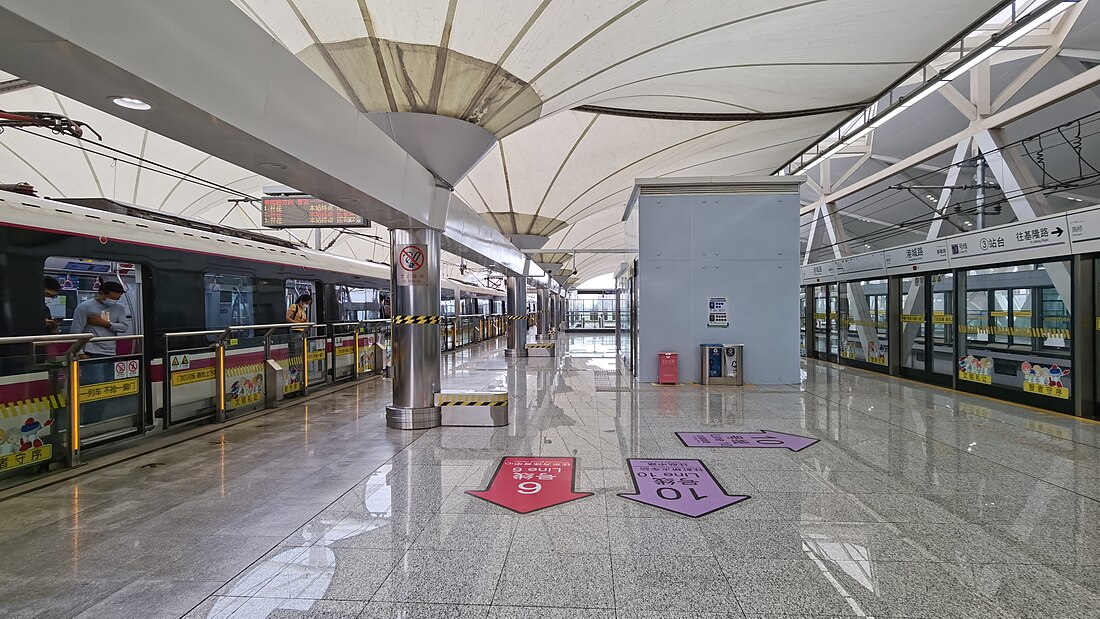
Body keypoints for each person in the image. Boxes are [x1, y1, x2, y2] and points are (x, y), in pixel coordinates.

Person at [70, 281, 129, 357]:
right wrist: (80, 353)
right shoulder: (85, 307)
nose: (114, 301)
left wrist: (106, 324)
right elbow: (76, 331)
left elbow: (124, 328)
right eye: (111, 298)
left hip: (111, 351)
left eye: (117, 299)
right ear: (101, 294)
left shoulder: (119, 308)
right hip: (91, 351)